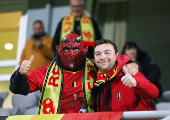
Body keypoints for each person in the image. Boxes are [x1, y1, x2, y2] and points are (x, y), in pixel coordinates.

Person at [10, 32, 138, 114]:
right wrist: (20, 74)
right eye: (66, 49)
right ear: (58, 50)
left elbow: (115, 60)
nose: (71, 54)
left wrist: (132, 64)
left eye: (76, 49)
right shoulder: (45, 72)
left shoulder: (96, 65)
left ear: (85, 50)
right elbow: (19, 89)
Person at [91, 39, 159, 112]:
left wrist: (136, 83)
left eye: (107, 53)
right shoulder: (93, 75)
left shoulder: (129, 71)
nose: (102, 57)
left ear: (116, 56)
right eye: (98, 54)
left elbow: (154, 93)